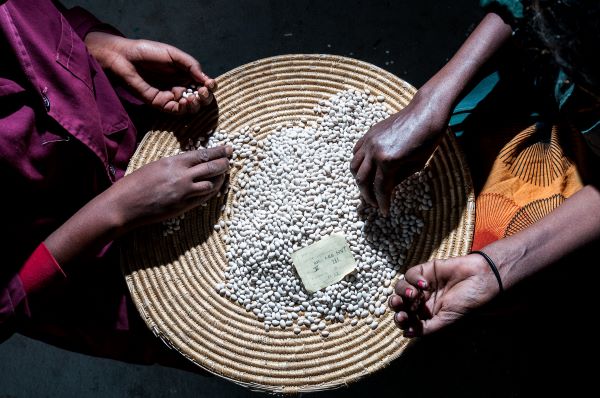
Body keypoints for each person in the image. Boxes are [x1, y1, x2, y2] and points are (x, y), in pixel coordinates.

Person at [0, 0, 231, 365]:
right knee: (215, 330)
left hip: (115, 118)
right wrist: (115, 209)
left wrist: (98, 45)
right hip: (86, 274)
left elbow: (35, 14)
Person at [351, 0, 600, 337]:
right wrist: (434, 97)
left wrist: (502, 267)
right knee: (441, 161)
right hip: (540, 64)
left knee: (473, 249)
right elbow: (524, 5)